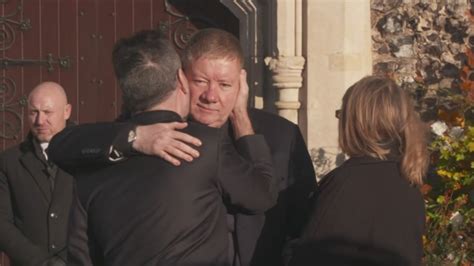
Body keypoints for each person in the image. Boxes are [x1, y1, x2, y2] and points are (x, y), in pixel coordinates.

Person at [48, 28, 317, 266]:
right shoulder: (149, 131)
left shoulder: (281, 137)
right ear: (181, 79)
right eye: (200, 81)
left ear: (242, 83)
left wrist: (242, 120)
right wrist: (137, 138)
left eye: (225, 85)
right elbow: (64, 146)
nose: (211, 96)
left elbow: (303, 221)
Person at [289, 75, 429, 266]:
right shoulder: (408, 182)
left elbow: (312, 255)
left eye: (341, 115)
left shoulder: (345, 184)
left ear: (355, 123)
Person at [0, 82, 73, 266]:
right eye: (34, 112)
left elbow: (99, 215)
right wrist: (42, 262)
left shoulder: (88, 157)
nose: (40, 121)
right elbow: (2, 223)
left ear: (67, 111)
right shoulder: (9, 162)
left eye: (48, 112)